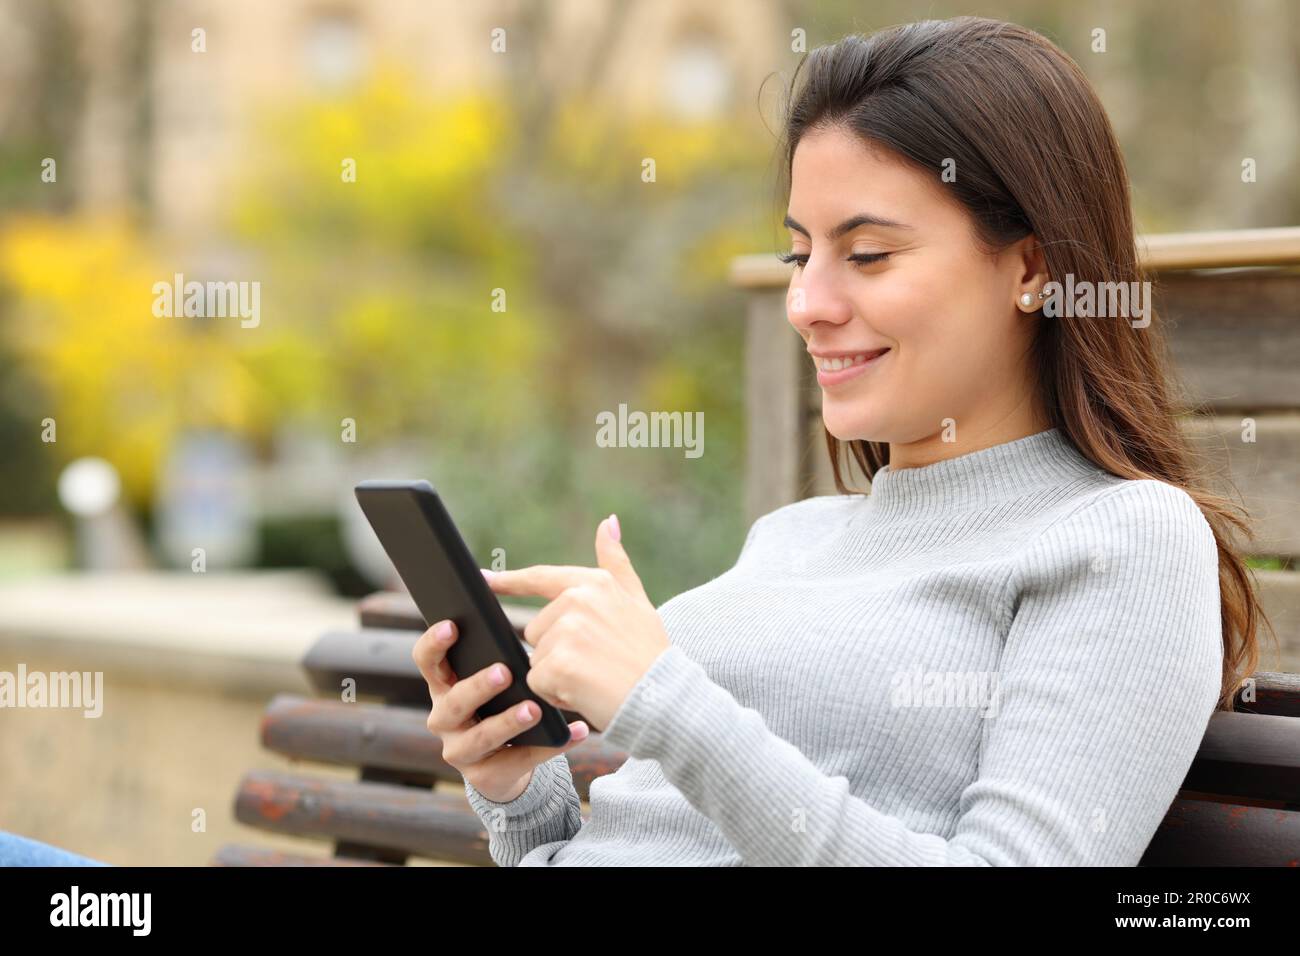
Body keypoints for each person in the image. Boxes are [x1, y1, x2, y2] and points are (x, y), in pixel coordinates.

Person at [419, 16, 1274, 866]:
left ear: (1032, 269)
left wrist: (666, 702)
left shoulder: (1124, 538)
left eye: (866, 254)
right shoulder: (791, 536)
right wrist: (520, 791)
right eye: (799, 258)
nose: (808, 303)